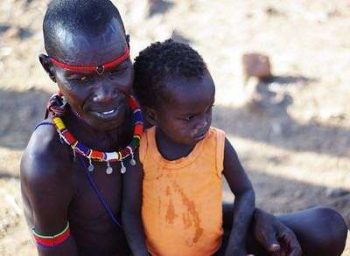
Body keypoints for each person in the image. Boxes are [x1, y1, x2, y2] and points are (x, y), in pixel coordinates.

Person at [20, 0, 347, 255]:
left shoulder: (150, 109)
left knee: (325, 227)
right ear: (50, 70)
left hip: (189, 246)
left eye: (117, 70)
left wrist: (256, 219)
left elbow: (179, 204)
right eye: (81, 79)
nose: (105, 94)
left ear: (128, 50)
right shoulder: (47, 160)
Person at [122, 39, 348, 256]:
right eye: (190, 117)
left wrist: (236, 244)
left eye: (208, 109)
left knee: (327, 224)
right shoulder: (142, 152)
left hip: (218, 250)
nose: (203, 123)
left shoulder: (217, 144)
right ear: (153, 114)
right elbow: (130, 213)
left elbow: (245, 191)